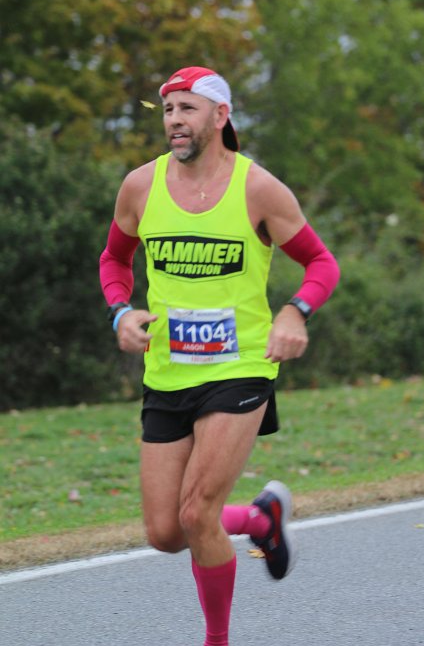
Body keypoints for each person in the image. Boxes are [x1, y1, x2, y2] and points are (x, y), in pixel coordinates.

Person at [99, 66, 340, 645]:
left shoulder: (258, 189)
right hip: (168, 371)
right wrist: (120, 311)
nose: (174, 121)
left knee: (196, 513)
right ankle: (259, 520)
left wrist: (294, 312)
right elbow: (114, 260)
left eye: (187, 108)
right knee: (165, 532)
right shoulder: (140, 186)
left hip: (241, 367)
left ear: (220, 115)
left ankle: (217, 639)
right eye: (168, 110)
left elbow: (321, 263)